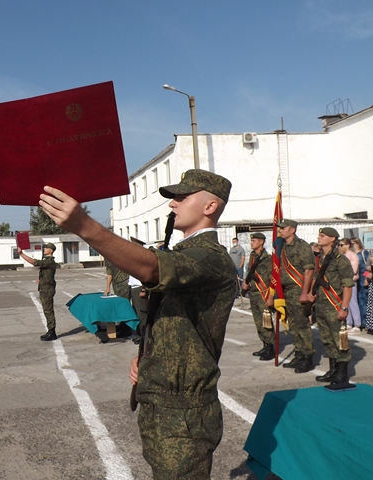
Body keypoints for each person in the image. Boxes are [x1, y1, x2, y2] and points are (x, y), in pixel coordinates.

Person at [38, 169, 236, 478]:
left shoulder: (210, 256)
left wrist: (84, 225)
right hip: (164, 402)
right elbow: (171, 323)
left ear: (210, 206)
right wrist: (147, 356)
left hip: (183, 410)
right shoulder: (186, 253)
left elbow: (151, 268)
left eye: (182, 197)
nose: (172, 204)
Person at [307, 228, 354, 386]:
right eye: (319, 235)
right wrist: (312, 294)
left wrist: (344, 308)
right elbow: (316, 279)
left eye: (322, 236)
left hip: (335, 304)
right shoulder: (319, 258)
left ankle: (342, 373)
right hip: (321, 304)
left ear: (333, 238)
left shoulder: (341, 260)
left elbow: (347, 286)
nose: (319, 238)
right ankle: (333, 370)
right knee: (327, 339)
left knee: (340, 340)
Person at [269, 219, 315, 373]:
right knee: (293, 325)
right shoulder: (282, 247)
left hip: (298, 288)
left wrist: (305, 292)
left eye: (284, 228)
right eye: (280, 228)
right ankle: (299, 353)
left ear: (292, 230)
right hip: (286, 290)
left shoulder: (302, 246)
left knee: (302, 324)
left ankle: (308, 357)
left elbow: (309, 270)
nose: (280, 230)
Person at [241, 233, 274, 361]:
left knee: (266, 322)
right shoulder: (252, 256)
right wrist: (246, 282)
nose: (251, 243)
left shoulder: (268, 258)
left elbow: (272, 278)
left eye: (254, 240)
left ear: (261, 242)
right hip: (254, 293)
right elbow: (250, 272)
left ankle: (270, 348)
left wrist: (270, 296)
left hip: (263, 293)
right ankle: (264, 345)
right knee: (258, 322)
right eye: (251, 241)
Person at [19, 243, 58, 341]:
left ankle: (52, 332)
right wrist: (41, 280)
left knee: (48, 311)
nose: (44, 249)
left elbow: (34, 262)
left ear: (51, 251)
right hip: (45, 288)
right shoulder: (47, 261)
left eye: (46, 248)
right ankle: (50, 331)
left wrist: (21, 254)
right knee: (47, 310)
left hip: (47, 290)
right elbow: (47, 274)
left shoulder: (49, 261)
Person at [338, 238, 361, 334]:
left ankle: (357, 324)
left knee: (353, 302)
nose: (339, 247)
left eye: (341, 245)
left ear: (348, 245)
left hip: (351, 281)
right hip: (343, 281)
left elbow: (354, 270)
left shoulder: (352, 255)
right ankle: (349, 322)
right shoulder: (342, 256)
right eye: (339, 245)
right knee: (346, 302)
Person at [351, 238, 369, 329]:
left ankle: (365, 322)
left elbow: (367, 267)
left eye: (354, 243)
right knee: (356, 301)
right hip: (354, 280)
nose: (353, 245)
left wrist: (366, 278)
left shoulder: (363, 253)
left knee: (364, 301)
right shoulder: (351, 254)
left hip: (362, 279)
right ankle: (357, 321)